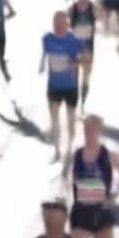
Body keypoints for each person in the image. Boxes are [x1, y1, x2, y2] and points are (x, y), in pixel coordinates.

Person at [39, 10, 87, 162]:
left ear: (67, 24)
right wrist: (41, 65)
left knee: (71, 121)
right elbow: (45, 54)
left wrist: (76, 62)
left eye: (61, 24)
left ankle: (70, 148)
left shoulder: (75, 40)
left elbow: (87, 58)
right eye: (56, 24)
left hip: (70, 87)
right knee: (55, 121)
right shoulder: (47, 38)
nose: (58, 27)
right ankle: (57, 150)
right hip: (53, 87)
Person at [68, 0, 98, 109]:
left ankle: (83, 101)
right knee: (74, 75)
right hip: (74, 46)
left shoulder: (93, 7)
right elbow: (67, 26)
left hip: (88, 46)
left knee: (86, 75)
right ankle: (74, 100)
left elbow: (97, 22)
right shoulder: (72, 7)